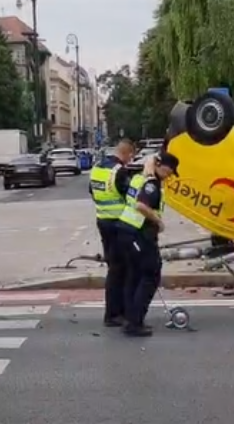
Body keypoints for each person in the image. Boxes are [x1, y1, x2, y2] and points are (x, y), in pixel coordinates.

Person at [118, 152, 179, 337]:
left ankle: (131, 319)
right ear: (162, 166)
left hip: (127, 233)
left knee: (134, 277)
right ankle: (135, 323)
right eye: (170, 170)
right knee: (150, 275)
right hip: (139, 234)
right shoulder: (151, 184)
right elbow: (141, 206)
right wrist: (158, 222)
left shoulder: (141, 177)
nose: (170, 175)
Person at [89, 139, 136, 327]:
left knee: (114, 268)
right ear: (125, 153)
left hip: (103, 221)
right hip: (118, 224)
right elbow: (130, 196)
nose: (130, 161)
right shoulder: (119, 171)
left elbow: (92, 192)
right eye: (131, 156)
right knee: (120, 270)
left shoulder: (97, 168)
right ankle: (115, 314)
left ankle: (115, 312)